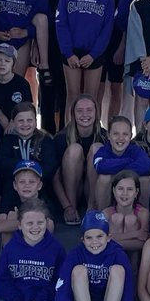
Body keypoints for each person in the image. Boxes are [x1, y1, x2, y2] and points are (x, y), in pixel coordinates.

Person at [56, 211, 135, 301]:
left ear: (108, 237)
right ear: (82, 239)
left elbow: (129, 291)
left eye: (100, 236)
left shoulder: (118, 254)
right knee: (78, 271)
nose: (94, 242)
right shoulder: (75, 254)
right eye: (89, 238)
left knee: (118, 270)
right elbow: (62, 289)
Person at [56, 0, 115, 118]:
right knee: (73, 95)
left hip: (94, 53)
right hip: (71, 53)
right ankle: (70, 136)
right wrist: (68, 53)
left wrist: (93, 54)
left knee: (91, 97)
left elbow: (107, 28)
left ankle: (92, 136)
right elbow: (61, 24)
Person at [41, 0, 79, 133]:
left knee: (68, 93)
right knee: (48, 93)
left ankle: (67, 134)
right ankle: (46, 136)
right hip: (50, 45)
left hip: (74, 47)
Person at [55, 94, 107, 224]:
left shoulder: (105, 137)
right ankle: (72, 208)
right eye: (80, 111)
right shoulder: (61, 138)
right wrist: (66, 206)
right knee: (74, 150)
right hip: (71, 190)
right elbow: (54, 178)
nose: (85, 115)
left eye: (89, 110)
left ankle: (92, 206)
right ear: (73, 114)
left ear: (96, 112)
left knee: (97, 148)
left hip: (94, 189)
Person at [89, 116, 150, 211]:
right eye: (115, 134)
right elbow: (100, 166)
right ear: (108, 136)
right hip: (110, 194)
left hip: (129, 191)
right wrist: (128, 161)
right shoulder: (104, 150)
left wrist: (114, 168)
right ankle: (102, 216)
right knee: (104, 178)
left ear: (131, 136)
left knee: (145, 179)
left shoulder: (135, 150)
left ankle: (143, 215)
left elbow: (146, 166)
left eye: (125, 134)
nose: (120, 138)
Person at [97, 0, 129, 119]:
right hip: (98, 45)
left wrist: (122, 47)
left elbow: (127, 20)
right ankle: (96, 130)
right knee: (98, 90)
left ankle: (111, 129)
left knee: (116, 89)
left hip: (118, 43)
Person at [0, 160, 51, 245]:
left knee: (15, 217)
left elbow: (50, 227)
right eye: (22, 182)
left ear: (39, 185)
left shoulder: (43, 199)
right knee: (12, 215)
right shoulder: (10, 197)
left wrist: (24, 221)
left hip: (37, 243)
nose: (27, 185)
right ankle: (10, 254)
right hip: (17, 241)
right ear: (15, 185)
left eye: (31, 182)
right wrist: (31, 222)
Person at [103, 169, 150, 266]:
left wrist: (111, 242)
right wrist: (135, 234)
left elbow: (143, 240)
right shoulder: (106, 213)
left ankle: (133, 271)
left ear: (136, 192)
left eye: (129, 189)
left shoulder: (143, 213)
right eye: (120, 189)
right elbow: (101, 238)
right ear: (114, 191)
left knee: (130, 220)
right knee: (117, 218)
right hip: (112, 257)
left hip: (132, 255)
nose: (125, 193)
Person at [0, 44, 32, 134]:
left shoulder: (22, 83)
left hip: (23, 120)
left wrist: (13, 122)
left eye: (7, 61)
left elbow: (27, 108)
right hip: (3, 122)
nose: (2, 64)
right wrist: (7, 128)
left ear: (13, 64)